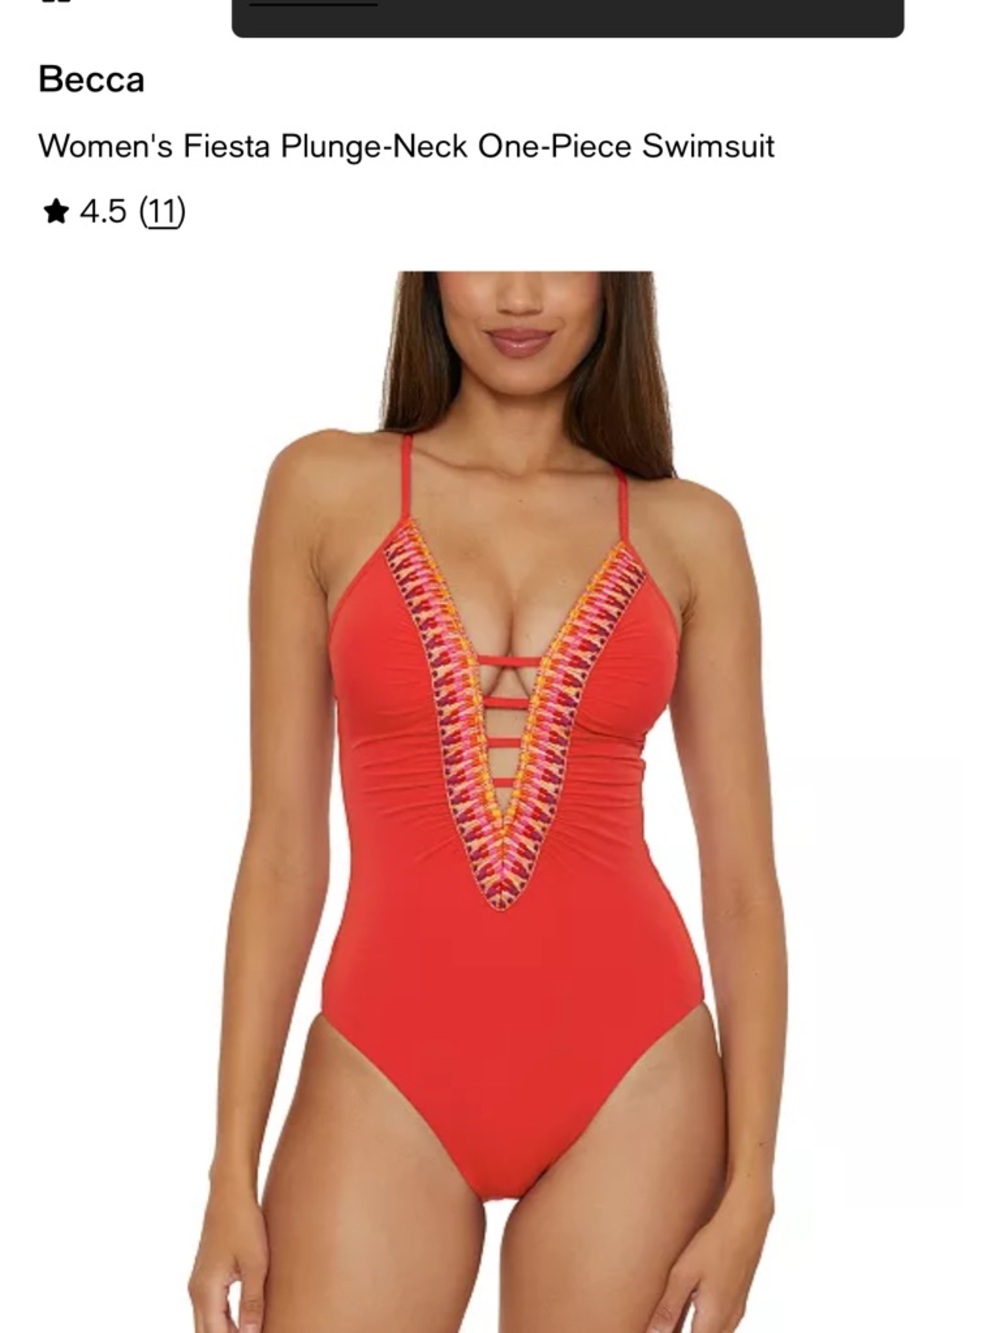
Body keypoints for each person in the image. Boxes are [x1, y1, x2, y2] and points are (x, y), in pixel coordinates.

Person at [188, 271, 787, 1333]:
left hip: (637, 1077)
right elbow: (281, 851)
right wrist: (229, 1170)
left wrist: (752, 1189)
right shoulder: (323, 488)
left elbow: (741, 886)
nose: (518, 294)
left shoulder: (692, 531)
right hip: (381, 1065)